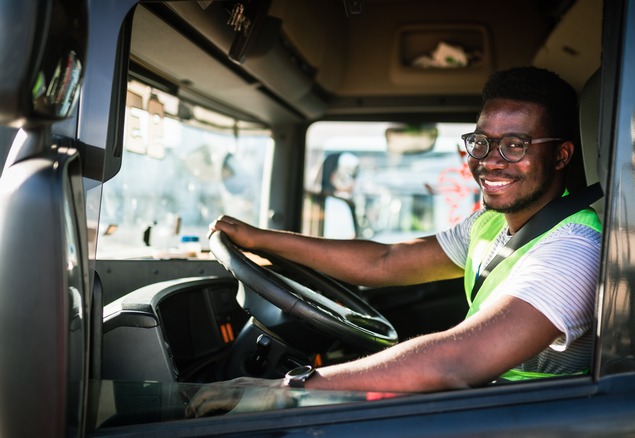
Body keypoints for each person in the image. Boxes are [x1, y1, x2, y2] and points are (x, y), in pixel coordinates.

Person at [187, 66, 602, 417]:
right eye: (481, 142)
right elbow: (385, 260)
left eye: (515, 145)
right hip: (487, 402)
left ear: (562, 156)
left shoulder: (573, 248)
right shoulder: (491, 223)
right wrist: (261, 240)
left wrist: (289, 390)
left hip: (529, 416)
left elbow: (457, 360)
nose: (489, 160)